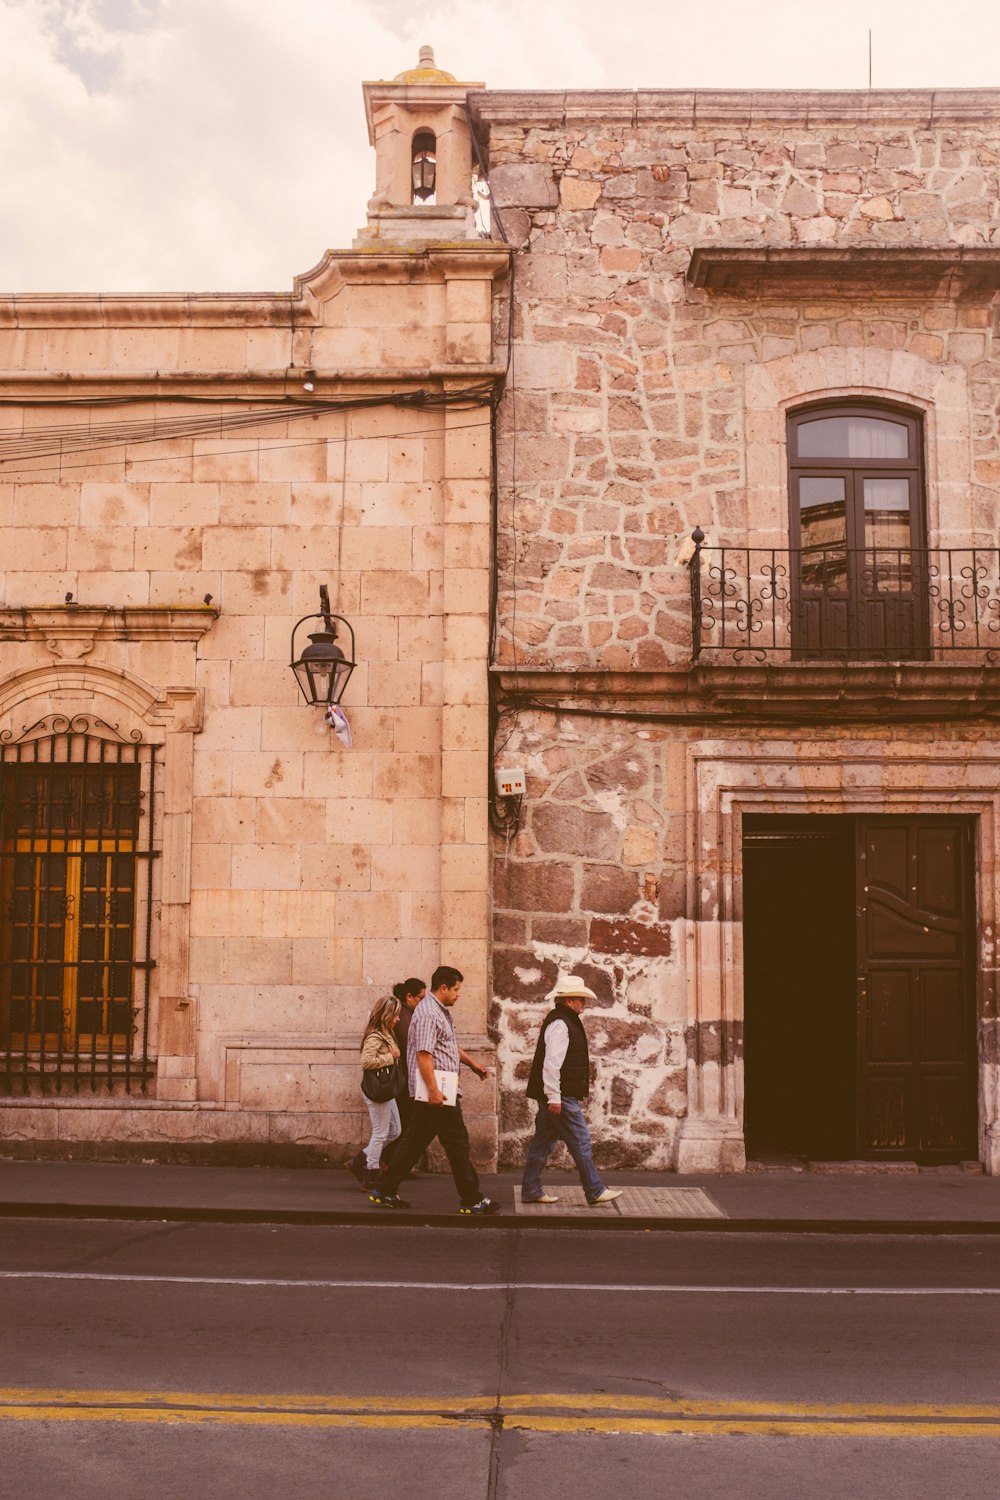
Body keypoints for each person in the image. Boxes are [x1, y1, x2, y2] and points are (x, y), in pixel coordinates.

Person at [369, 964, 500, 1215]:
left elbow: (448, 1046)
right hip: (438, 1088)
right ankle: (471, 1198)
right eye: (456, 990)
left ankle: (384, 1189)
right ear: (443, 988)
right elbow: (424, 1055)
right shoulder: (429, 1013)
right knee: (457, 1142)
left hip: (437, 1088)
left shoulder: (438, 1011)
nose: (458, 994)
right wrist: (433, 1091)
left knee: (414, 1142)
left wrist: (474, 1065)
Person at [521, 973, 622, 1207]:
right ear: (568, 1001)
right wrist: (554, 1097)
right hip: (560, 1096)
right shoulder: (560, 1024)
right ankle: (595, 1190)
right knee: (581, 1140)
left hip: (559, 1094)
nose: (584, 1003)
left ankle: (530, 1189)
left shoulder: (565, 1020)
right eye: (580, 998)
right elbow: (551, 1064)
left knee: (542, 1143)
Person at [348, 995, 403, 1191]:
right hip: (378, 1090)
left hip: (387, 1090)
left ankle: (359, 1160)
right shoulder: (375, 1036)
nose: (398, 1019)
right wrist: (390, 1057)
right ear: (386, 1015)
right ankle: (370, 1173)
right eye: (395, 1015)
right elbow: (366, 1061)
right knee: (380, 1133)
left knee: (395, 1131)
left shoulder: (387, 1033)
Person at [382, 976, 426, 1174]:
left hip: (403, 1079)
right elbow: (410, 1049)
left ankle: (393, 1164)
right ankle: (381, 1162)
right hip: (402, 1081)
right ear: (409, 996)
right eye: (421, 998)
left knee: (404, 1125)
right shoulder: (403, 1016)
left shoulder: (406, 1013)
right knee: (403, 1126)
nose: (423, 1003)